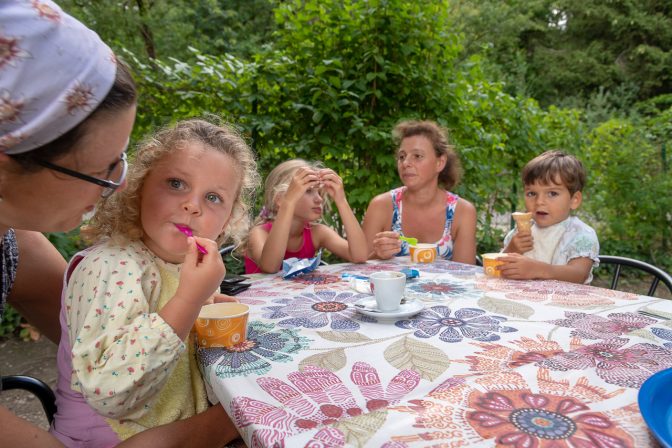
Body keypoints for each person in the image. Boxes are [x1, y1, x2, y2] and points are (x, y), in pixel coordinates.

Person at [0, 2, 247, 446]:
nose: (119, 182)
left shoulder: (14, 241)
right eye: (103, 166)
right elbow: (111, 388)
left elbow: (83, 331)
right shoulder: (110, 265)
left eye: (123, 159)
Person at [50, 119, 258, 446]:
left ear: (228, 220)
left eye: (214, 198)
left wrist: (206, 303)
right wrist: (189, 300)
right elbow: (109, 392)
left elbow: (163, 306)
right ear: (139, 187)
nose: (192, 205)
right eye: (176, 183)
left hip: (177, 426)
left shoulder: (186, 267)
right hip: (110, 436)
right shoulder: (111, 266)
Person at [362, 120, 477, 263]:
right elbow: (360, 265)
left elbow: (465, 275)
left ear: (439, 163)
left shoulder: (462, 211)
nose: (405, 163)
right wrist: (377, 255)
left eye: (417, 156)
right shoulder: (382, 206)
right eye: (402, 156)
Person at [245, 159, 367, 273]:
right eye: (308, 191)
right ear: (280, 199)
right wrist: (287, 203)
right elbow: (270, 267)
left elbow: (360, 256)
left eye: (319, 192)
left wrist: (341, 200)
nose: (319, 199)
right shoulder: (259, 233)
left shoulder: (317, 232)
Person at [499, 150, 599, 284]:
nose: (539, 201)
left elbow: (578, 274)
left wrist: (537, 269)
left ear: (574, 200)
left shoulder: (582, 235)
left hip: (564, 302)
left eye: (552, 193)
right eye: (532, 194)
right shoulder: (522, 231)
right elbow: (498, 268)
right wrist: (512, 249)